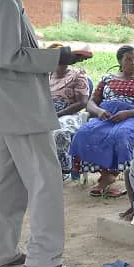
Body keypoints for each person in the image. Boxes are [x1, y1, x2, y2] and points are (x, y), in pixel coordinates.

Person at [0, 0, 88, 267]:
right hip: (21, 109)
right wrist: (60, 57)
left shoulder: (2, 0)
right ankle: (43, 259)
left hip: (9, 108)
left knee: (6, 183)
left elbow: (5, 56)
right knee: (46, 181)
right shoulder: (6, 3)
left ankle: (3, 251)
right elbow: (8, 56)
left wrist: (54, 56)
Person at [69, 45, 134, 197]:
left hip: (133, 116)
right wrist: (99, 111)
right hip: (106, 115)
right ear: (120, 61)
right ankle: (104, 174)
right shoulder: (108, 79)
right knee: (84, 133)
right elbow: (91, 102)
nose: (133, 63)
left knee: (120, 135)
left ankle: (110, 176)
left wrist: (127, 113)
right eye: (129, 59)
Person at [47, 43, 90, 178]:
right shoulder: (46, 75)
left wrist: (59, 113)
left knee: (59, 132)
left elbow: (82, 102)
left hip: (69, 113)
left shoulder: (78, 75)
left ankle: (62, 170)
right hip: (46, 112)